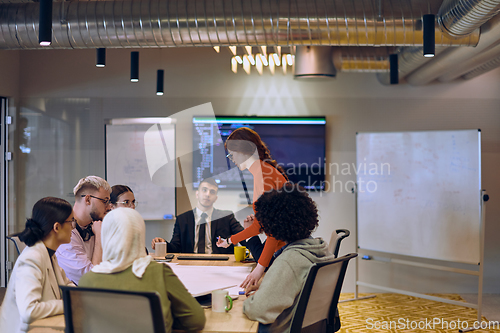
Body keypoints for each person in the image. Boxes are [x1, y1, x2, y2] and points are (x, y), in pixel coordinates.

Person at [79, 208, 205, 333]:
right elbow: (196, 320)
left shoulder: (87, 280)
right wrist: (167, 319)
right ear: (140, 235)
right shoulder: (158, 272)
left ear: (106, 236)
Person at [242, 183, 334, 333]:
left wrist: (247, 301)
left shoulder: (288, 261)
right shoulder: (319, 247)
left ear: (274, 225)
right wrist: (266, 286)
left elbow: (257, 310)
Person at [216, 127, 288, 286]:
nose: (231, 158)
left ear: (242, 151)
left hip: (284, 250)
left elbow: (273, 231)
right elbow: (259, 226)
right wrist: (230, 240)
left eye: (231, 154)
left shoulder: (263, 175)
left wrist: (259, 270)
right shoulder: (263, 171)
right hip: (284, 246)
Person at [0, 197, 76, 332]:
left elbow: (66, 285)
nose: (73, 227)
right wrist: (68, 304)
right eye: (71, 221)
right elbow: (29, 310)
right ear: (57, 227)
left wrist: (82, 296)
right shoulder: (31, 258)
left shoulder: (49, 253)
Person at [151, 177, 261, 254]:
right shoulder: (183, 219)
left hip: (219, 265)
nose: (208, 194)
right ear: (197, 194)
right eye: (204, 190)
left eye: (212, 192)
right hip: (190, 264)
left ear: (216, 198)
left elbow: (243, 240)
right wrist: (163, 243)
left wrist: (250, 230)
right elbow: (175, 248)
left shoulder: (226, 217)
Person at [56, 175, 112, 284]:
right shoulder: (66, 233)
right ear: (88, 199)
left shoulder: (95, 226)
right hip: (77, 297)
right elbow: (91, 281)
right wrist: (100, 236)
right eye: (104, 201)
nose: (109, 207)